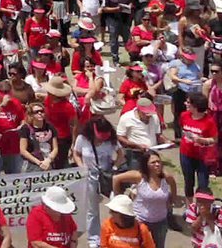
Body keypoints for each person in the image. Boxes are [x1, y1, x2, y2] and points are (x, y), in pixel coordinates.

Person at [72, 118, 123, 248]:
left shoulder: (111, 139)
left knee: (116, 205)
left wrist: (115, 168)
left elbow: (120, 154)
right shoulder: (82, 139)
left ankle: (116, 233)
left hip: (107, 176)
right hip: (90, 177)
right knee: (92, 209)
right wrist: (82, 167)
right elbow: (76, 154)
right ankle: (94, 238)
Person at [110, 150, 178, 248]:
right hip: (141, 222)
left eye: (158, 161)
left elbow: (173, 184)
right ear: (146, 165)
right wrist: (118, 200)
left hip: (160, 222)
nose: (157, 164)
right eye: (153, 162)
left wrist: (172, 200)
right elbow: (116, 179)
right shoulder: (139, 176)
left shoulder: (166, 177)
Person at [116, 97, 168, 170]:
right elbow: (120, 137)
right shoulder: (126, 118)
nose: (148, 116)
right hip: (135, 154)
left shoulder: (155, 117)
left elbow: (158, 134)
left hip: (152, 154)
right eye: (145, 113)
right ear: (139, 110)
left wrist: (166, 141)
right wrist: (136, 145)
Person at [19, 102, 58, 172]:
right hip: (32, 165)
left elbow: (55, 148)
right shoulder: (26, 128)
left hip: (48, 163)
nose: (40, 113)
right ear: (31, 115)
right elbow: (23, 150)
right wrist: (39, 163)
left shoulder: (50, 127)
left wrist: (48, 160)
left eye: (42, 111)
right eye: (36, 112)